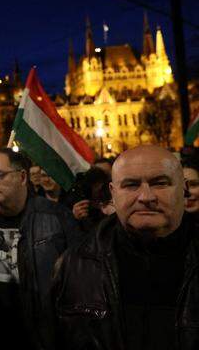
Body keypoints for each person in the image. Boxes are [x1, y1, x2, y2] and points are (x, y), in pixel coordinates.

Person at [52, 145, 199, 350]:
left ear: (183, 189)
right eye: (131, 185)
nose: (146, 197)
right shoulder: (75, 265)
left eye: (160, 183)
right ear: (113, 193)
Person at [0, 148, 83, 349]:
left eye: (0, 175)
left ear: (22, 177)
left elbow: (78, 278)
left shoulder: (56, 217)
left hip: (46, 333)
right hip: (0, 335)